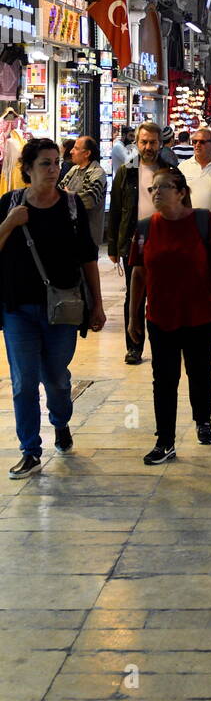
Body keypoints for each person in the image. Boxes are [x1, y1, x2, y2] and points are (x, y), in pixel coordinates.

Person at [0, 138, 105, 477]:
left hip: (62, 309)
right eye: (45, 163)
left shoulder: (71, 207)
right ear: (27, 169)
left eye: (56, 162)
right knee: (23, 383)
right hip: (18, 308)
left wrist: (98, 304)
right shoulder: (10, 203)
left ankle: (60, 422)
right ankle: (30, 450)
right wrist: (9, 223)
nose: (53, 169)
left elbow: (89, 258)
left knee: (57, 379)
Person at [128, 166, 211, 466]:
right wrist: (134, 317)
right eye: (152, 189)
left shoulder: (203, 221)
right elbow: (138, 273)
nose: (156, 193)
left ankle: (203, 420)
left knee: (199, 372)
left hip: (200, 313)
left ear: (181, 192)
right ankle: (165, 441)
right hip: (161, 316)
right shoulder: (145, 227)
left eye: (163, 188)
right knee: (163, 378)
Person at [106, 121, 165, 365]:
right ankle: (134, 347)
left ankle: (163, 345)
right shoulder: (126, 172)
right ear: (137, 143)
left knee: (161, 296)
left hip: (163, 241)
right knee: (134, 296)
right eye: (144, 142)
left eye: (152, 142)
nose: (148, 146)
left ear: (159, 143)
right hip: (135, 242)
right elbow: (117, 209)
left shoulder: (170, 171)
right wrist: (113, 246)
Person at [62, 135, 108, 250]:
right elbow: (57, 192)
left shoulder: (97, 173)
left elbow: (89, 200)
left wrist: (67, 194)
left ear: (87, 153)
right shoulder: (74, 170)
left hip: (89, 236)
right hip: (71, 234)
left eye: (76, 148)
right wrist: (71, 195)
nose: (71, 151)